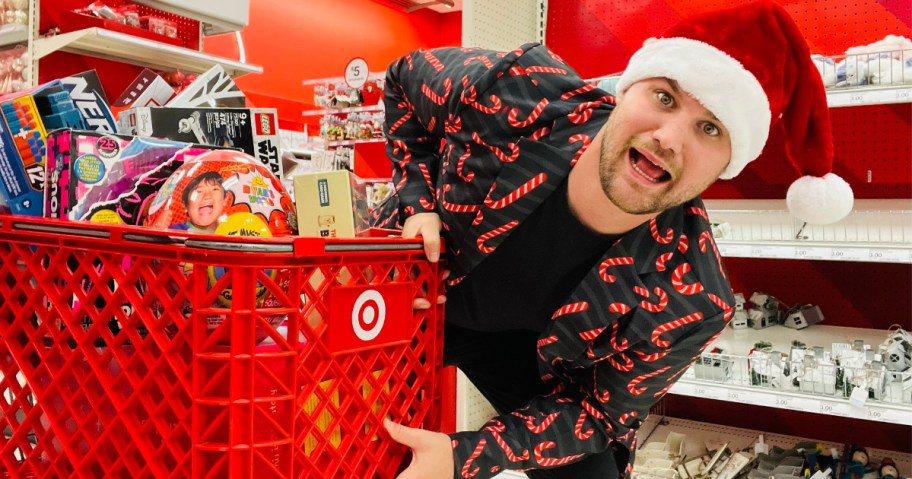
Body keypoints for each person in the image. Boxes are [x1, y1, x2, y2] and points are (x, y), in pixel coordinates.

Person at [373, 1, 854, 478]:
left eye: (709, 129)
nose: (668, 138)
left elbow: (596, 415)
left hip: (521, 350)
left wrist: (464, 456)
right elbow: (401, 82)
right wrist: (419, 201)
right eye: (665, 97)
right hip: (405, 285)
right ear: (626, 90)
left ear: (727, 166)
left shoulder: (694, 297)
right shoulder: (519, 91)